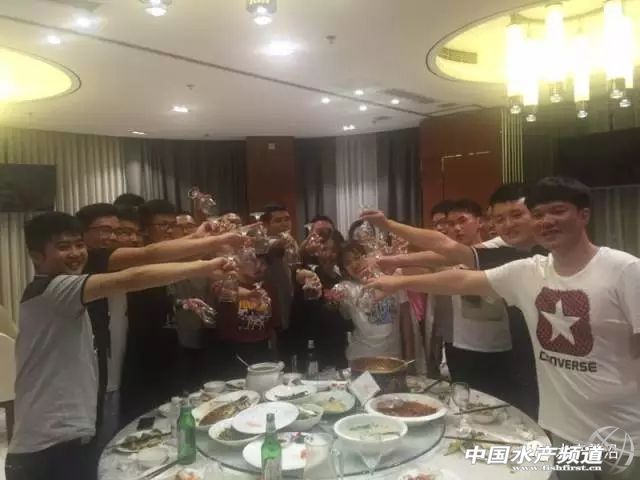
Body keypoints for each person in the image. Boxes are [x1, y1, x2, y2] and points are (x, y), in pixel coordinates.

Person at [367, 177, 640, 480]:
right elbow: (461, 279)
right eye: (538, 214)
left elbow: (448, 251)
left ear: (584, 214)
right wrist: (398, 281)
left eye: (558, 211)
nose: (546, 221)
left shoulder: (625, 270)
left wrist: (393, 251)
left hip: (626, 433)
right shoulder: (529, 271)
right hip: (565, 428)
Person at [4, 212, 233, 480]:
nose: (76, 253)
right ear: (36, 256)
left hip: (67, 439)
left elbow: (147, 259)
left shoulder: (59, 290)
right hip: (46, 450)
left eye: (79, 245)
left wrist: (200, 243)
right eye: (64, 247)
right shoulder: (54, 289)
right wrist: (205, 266)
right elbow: (131, 277)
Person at [363, 184, 542, 417]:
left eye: (516, 215)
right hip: (489, 348)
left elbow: (455, 269)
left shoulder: (526, 253)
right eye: (500, 219)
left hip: (513, 352)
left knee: (514, 411)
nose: (508, 224)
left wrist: (391, 240)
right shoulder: (507, 252)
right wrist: (395, 263)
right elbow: (446, 254)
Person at [335, 241, 411, 361]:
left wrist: (409, 356)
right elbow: (335, 298)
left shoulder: (391, 280)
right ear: (344, 269)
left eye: (357, 257)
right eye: (348, 263)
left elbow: (406, 319)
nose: (355, 264)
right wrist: (334, 298)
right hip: (361, 358)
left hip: (393, 357)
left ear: (367, 257)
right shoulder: (348, 287)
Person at [289, 231, 351, 370]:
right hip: (311, 347)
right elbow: (297, 274)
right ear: (316, 252)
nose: (328, 255)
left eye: (333, 250)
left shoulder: (341, 279)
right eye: (324, 249)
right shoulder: (309, 273)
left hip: (338, 345)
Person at [212, 250, 277, 378]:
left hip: (262, 347)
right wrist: (248, 294)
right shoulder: (227, 283)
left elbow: (272, 321)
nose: (256, 263)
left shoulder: (265, 286)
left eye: (256, 259)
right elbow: (221, 290)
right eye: (250, 259)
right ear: (237, 265)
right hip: (235, 349)